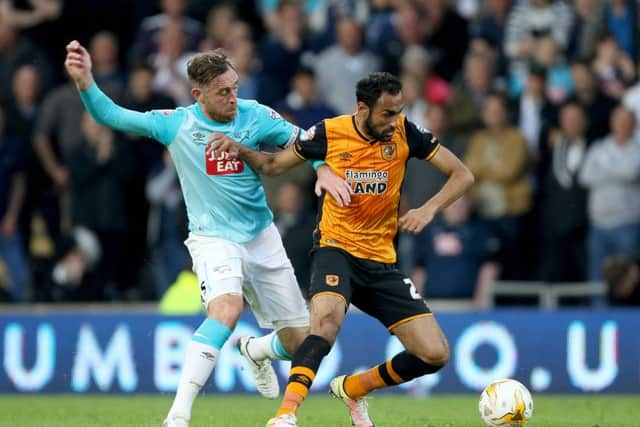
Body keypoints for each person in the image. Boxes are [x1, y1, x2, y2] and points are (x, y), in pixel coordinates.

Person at [63, 40, 351, 427]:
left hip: (261, 235)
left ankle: (257, 349)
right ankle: (177, 417)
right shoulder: (176, 123)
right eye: (224, 92)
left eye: (235, 87)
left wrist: (322, 168)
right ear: (198, 95)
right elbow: (112, 115)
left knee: (304, 343)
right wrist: (86, 83)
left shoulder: (255, 115)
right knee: (227, 309)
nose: (234, 97)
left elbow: (305, 142)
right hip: (213, 237)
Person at [210, 72, 474, 427]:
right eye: (386, 114)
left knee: (434, 353)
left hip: (381, 260)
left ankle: (354, 388)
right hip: (335, 248)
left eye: (399, 112)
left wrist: (428, 209)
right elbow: (273, 165)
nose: (394, 121)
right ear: (361, 108)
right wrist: (241, 149)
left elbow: (462, 175)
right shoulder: (328, 133)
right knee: (326, 323)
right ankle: (286, 415)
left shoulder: (406, 133)